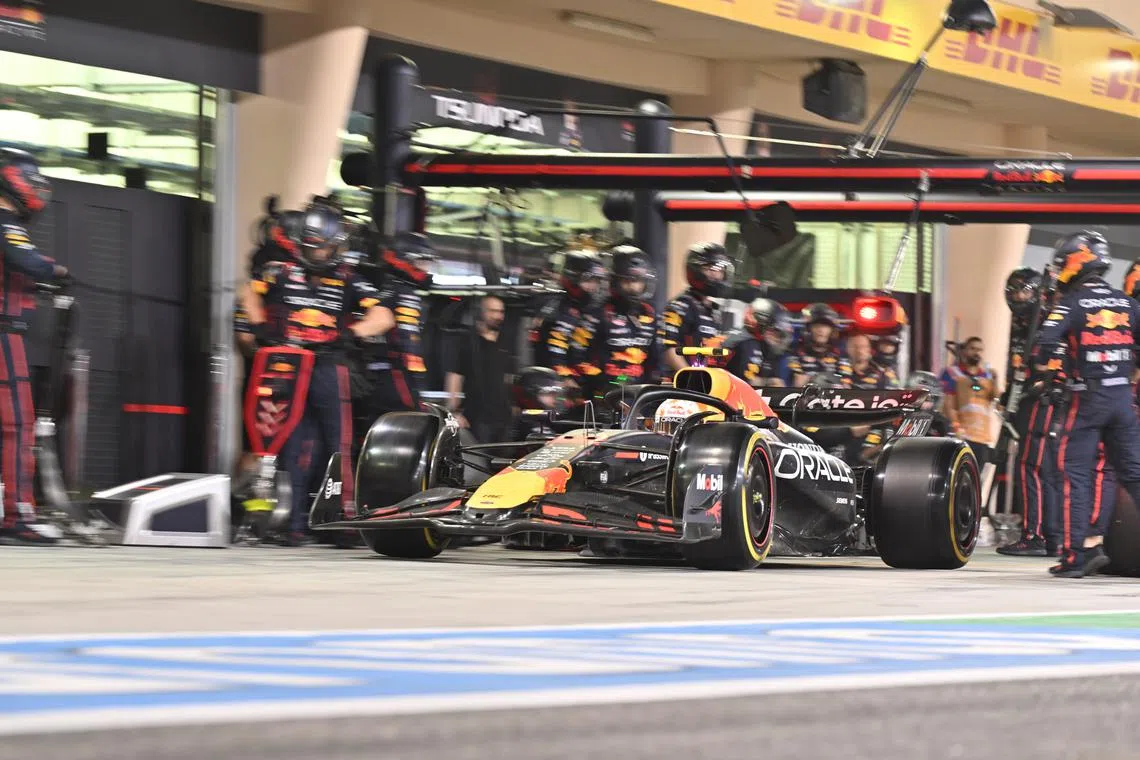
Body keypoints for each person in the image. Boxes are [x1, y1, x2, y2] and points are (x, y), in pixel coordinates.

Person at [242, 199, 391, 545]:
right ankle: (292, 524)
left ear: (336, 244)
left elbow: (384, 317)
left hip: (329, 366)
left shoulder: (350, 280)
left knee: (337, 444)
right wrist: (259, 324)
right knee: (292, 446)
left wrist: (351, 334)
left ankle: (342, 521)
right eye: (310, 246)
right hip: (288, 368)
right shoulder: (278, 271)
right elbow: (247, 292)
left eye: (321, 247)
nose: (315, 253)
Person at [1036, 230, 1140, 577]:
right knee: (1134, 474)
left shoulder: (1071, 302)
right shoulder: (1127, 302)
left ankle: (1074, 556)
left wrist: (1054, 367)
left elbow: (1044, 345)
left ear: (1076, 261)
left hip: (1087, 398)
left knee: (1074, 475)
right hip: (1123, 398)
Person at [0, 148, 69, 545]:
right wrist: (56, 270)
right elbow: (23, 258)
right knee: (19, 425)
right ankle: (17, 516)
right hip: (4, 336)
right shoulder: (6, 220)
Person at [352, 231, 434, 437]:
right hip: (397, 377)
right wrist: (415, 389)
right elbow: (407, 344)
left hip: (379, 376)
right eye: (422, 262)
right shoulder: (402, 293)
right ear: (406, 260)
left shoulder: (385, 291)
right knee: (409, 433)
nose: (426, 269)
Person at [577, 245, 660, 400]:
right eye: (627, 281)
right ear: (615, 281)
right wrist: (600, 382)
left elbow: (655, 358)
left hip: (639, 395)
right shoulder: (596, 313)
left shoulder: (650, 314)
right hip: (602, 394)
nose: (634, 287)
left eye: (638, 281)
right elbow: (577, 356)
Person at [445, 294, 515, 444]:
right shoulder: (467, 342)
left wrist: (514, 405)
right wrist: (454, 412)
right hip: (478, 418)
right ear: (481, 312)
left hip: (504, 418)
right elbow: (455, 377)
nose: (498, 316)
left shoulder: (505, 342)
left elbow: (507, 378)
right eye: (493, 311)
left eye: (501, 312)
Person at [531, 249, 607, 386]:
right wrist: (565, 379)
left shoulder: (595, 308)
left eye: (596, 281)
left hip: (587, 380)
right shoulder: (555, 309)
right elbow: (552, 353)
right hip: (558, 384)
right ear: (573, 277)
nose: (593, 286)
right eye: (588, 280)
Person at [660, 242, 732, 373]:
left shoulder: (713, 310)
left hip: (705, 383)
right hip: (681, 385)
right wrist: (689, 378)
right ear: (695, 270)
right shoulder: (681, 306)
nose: (716, 275)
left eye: (720, 270)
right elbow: (668, 349)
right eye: (710, 269)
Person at [940, 336, 999, 463]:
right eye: (972, 349)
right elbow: (948, 403)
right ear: (963, 351)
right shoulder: (952, 373)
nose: (977, 352)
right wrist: (956, 427)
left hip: (981, 438)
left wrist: (995, 380)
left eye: (979, 350)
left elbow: (996, 401)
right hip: (960, 436)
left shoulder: (987, 376)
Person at [724, 298, 793, 388]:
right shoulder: (747, 343)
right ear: (760, 323)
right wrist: (769, 382)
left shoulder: (761, 346)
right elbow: (747, 382)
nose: (775, 337)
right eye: (772, 329)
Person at [787, 303, 843, 386]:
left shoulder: (839, 356)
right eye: (816, 326)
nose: (820, 330)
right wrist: (815, 380)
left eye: (825, 326)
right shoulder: (796, 355)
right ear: (808, 329)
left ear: (832, 330)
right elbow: (797, 384)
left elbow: (846, 387)